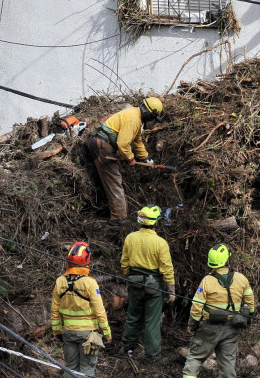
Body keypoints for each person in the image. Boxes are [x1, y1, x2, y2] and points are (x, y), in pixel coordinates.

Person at [86, 97, 164, 225]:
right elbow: (123, 143)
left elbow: (137, 140)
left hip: (101, 143)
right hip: (102, 145)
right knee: (113, 180)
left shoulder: (135, 116)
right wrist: (130, 159)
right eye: (152, 118)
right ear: (149, 114)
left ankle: (118, 215)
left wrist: (145, 157)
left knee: (111, 179)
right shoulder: (133, 120)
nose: (151, 121)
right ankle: (119, 218)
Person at [182, 244, 256, 378]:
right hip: (231, 328)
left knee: (195, 358)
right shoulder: (241, 278)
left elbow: (197, 306)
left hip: (209, 328)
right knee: (227, 364)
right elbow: (250, 301)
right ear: (227, 260)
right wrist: (250, 317)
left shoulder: (207, 281)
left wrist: (193, 325)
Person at [119, 205, 175, 365]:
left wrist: (127, 276)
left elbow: (125, 262)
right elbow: (167, 269)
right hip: (154, 286)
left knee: (133, 316)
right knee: (152, 320)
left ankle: (127, 347)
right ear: (156, 222)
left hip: (135, 282)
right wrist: (171, 290)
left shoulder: (130, 238)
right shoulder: (160, 243)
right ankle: (152, 357)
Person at [51, 241, 111, 378]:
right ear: (87, 260)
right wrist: (107, 333)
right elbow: (99, 311)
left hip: (68, 332)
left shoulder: (60, 281)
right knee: (87, 369)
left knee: (70, 368)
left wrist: (56, 331)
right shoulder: (90, 282)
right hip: (88, 334)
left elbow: (54, 310)